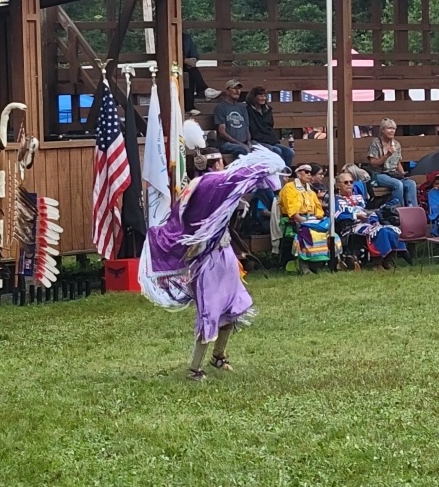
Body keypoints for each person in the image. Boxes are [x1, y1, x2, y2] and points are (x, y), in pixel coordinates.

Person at [142, 150, 284, 379]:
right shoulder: (209, 184)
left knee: (233, 305)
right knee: (210, 311)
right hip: (206, 260)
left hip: (224, 254)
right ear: (216, 163)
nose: (224, 165)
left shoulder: (210, 187)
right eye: (221, 162)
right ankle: (194, 369)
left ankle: (219, 357)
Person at [278, 164, 331, 272]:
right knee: (309, 232)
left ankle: (318, 263)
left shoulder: (310, 190)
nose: (309, 174)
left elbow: (318, 208)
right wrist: (305, 222)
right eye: (306, 172)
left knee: (329, 231)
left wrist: (318, 219)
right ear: (298, 173)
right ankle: (304, 265)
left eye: (310, 172)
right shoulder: (289, 188)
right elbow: (292, 212)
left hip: (312, 220)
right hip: (294, 222)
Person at [363, 119, 419, 207]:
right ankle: (398, 211)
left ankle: (413, 211)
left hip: (393, 174)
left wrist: (403, 174)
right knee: (398, 184)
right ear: (382, 130)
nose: (392, 131)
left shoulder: (396, 144)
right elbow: (373, 163)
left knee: (411, 183)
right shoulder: (375, 143)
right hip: (378, 174)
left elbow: (398, 163)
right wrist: (387, 155)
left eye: (394, 128)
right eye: (389, 128)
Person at [241, 86, 293, 165]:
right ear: (254, 97)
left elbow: (270, 126)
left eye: (264, 96)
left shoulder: (268, 110)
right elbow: (253, 129)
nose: (263, 98)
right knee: (276, 151)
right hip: (256, 140)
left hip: (270, 140)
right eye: (261, 96)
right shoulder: (248, 111)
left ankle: (285, 174)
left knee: (290, 152)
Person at [211, 79, 253, 156]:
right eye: (234, 88)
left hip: (243, 143)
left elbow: (247, 129)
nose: (237, 91)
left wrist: (249, 142)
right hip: (225, 144)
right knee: (243, 150)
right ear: (227, 91)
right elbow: (222, 132)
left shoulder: (242, 108)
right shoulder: (220, 107)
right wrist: (240, 144)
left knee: (262, 151)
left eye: (239, 89)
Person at [181, 32, 207, 109]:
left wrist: (193, 60)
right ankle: (203, 89)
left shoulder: (186, 37)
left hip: (187, 67)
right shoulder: (168, 37)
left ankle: (190, 107)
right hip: (173, 66)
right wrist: (184, 60)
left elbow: (194, 53)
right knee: (191, 72)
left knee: (191, 72)